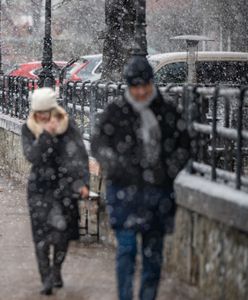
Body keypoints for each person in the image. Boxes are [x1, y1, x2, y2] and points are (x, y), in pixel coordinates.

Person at [91, 56, 191, 300]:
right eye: (135, 86)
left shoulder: (167, 110)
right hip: (124, 192)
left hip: (158, 194)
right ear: (128, 86)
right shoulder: (116, 111)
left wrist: (166, 171)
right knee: (126, 250)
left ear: (151, 83)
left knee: (153, 255)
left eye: (144, 85)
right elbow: (99, 144)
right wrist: (117, 168)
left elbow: (184, 146)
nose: (140, 91)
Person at [22, 88, 89, 295]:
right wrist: (46, 136)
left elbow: (79, 156)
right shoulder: (29, 128)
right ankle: (46, 279)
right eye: (39, 112)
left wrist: (81, 183)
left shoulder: (68, 127)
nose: (42, 116)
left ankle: (57, 269)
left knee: (62, 236)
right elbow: (32, 156)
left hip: (64, 188)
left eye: (46, 112)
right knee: (40, 238)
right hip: (39, 189)